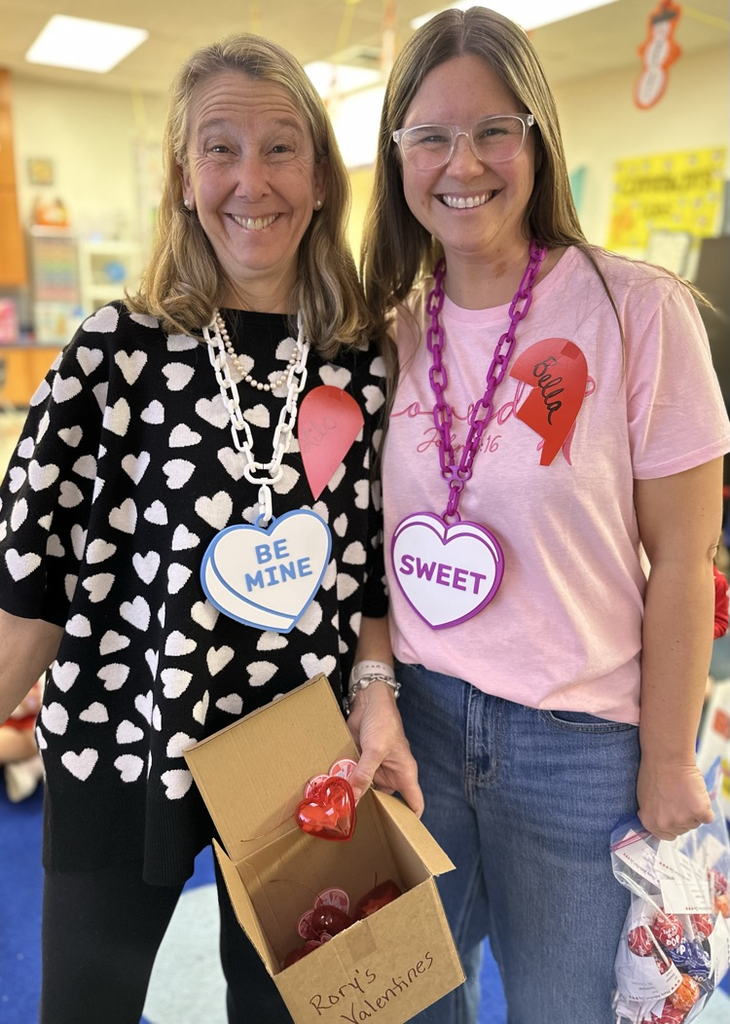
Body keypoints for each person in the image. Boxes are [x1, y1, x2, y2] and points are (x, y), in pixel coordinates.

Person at [0, 33, 419, 1024]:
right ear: (184, 179)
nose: (250, 179)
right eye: (218, 148)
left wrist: (375, 694)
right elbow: (32, 573)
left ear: (321, 177)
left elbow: (366, 569)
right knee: (84, 1010)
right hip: (124, 721)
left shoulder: (358, 361)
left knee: (299, 1014)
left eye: (280, 148)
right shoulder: (114, 348)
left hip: (297, 739)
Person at [360, 7, 730, 1023]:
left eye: (492, 129)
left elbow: (686, 561)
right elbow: (369, 550)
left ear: (537, 138)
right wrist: (376, 688)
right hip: (421, 728)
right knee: (403, 1005)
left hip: (579, 748)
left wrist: (666, 757)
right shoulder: (390, 328)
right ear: (397, 157)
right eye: (429, 135)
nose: (460, 162)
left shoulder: (636, 310)